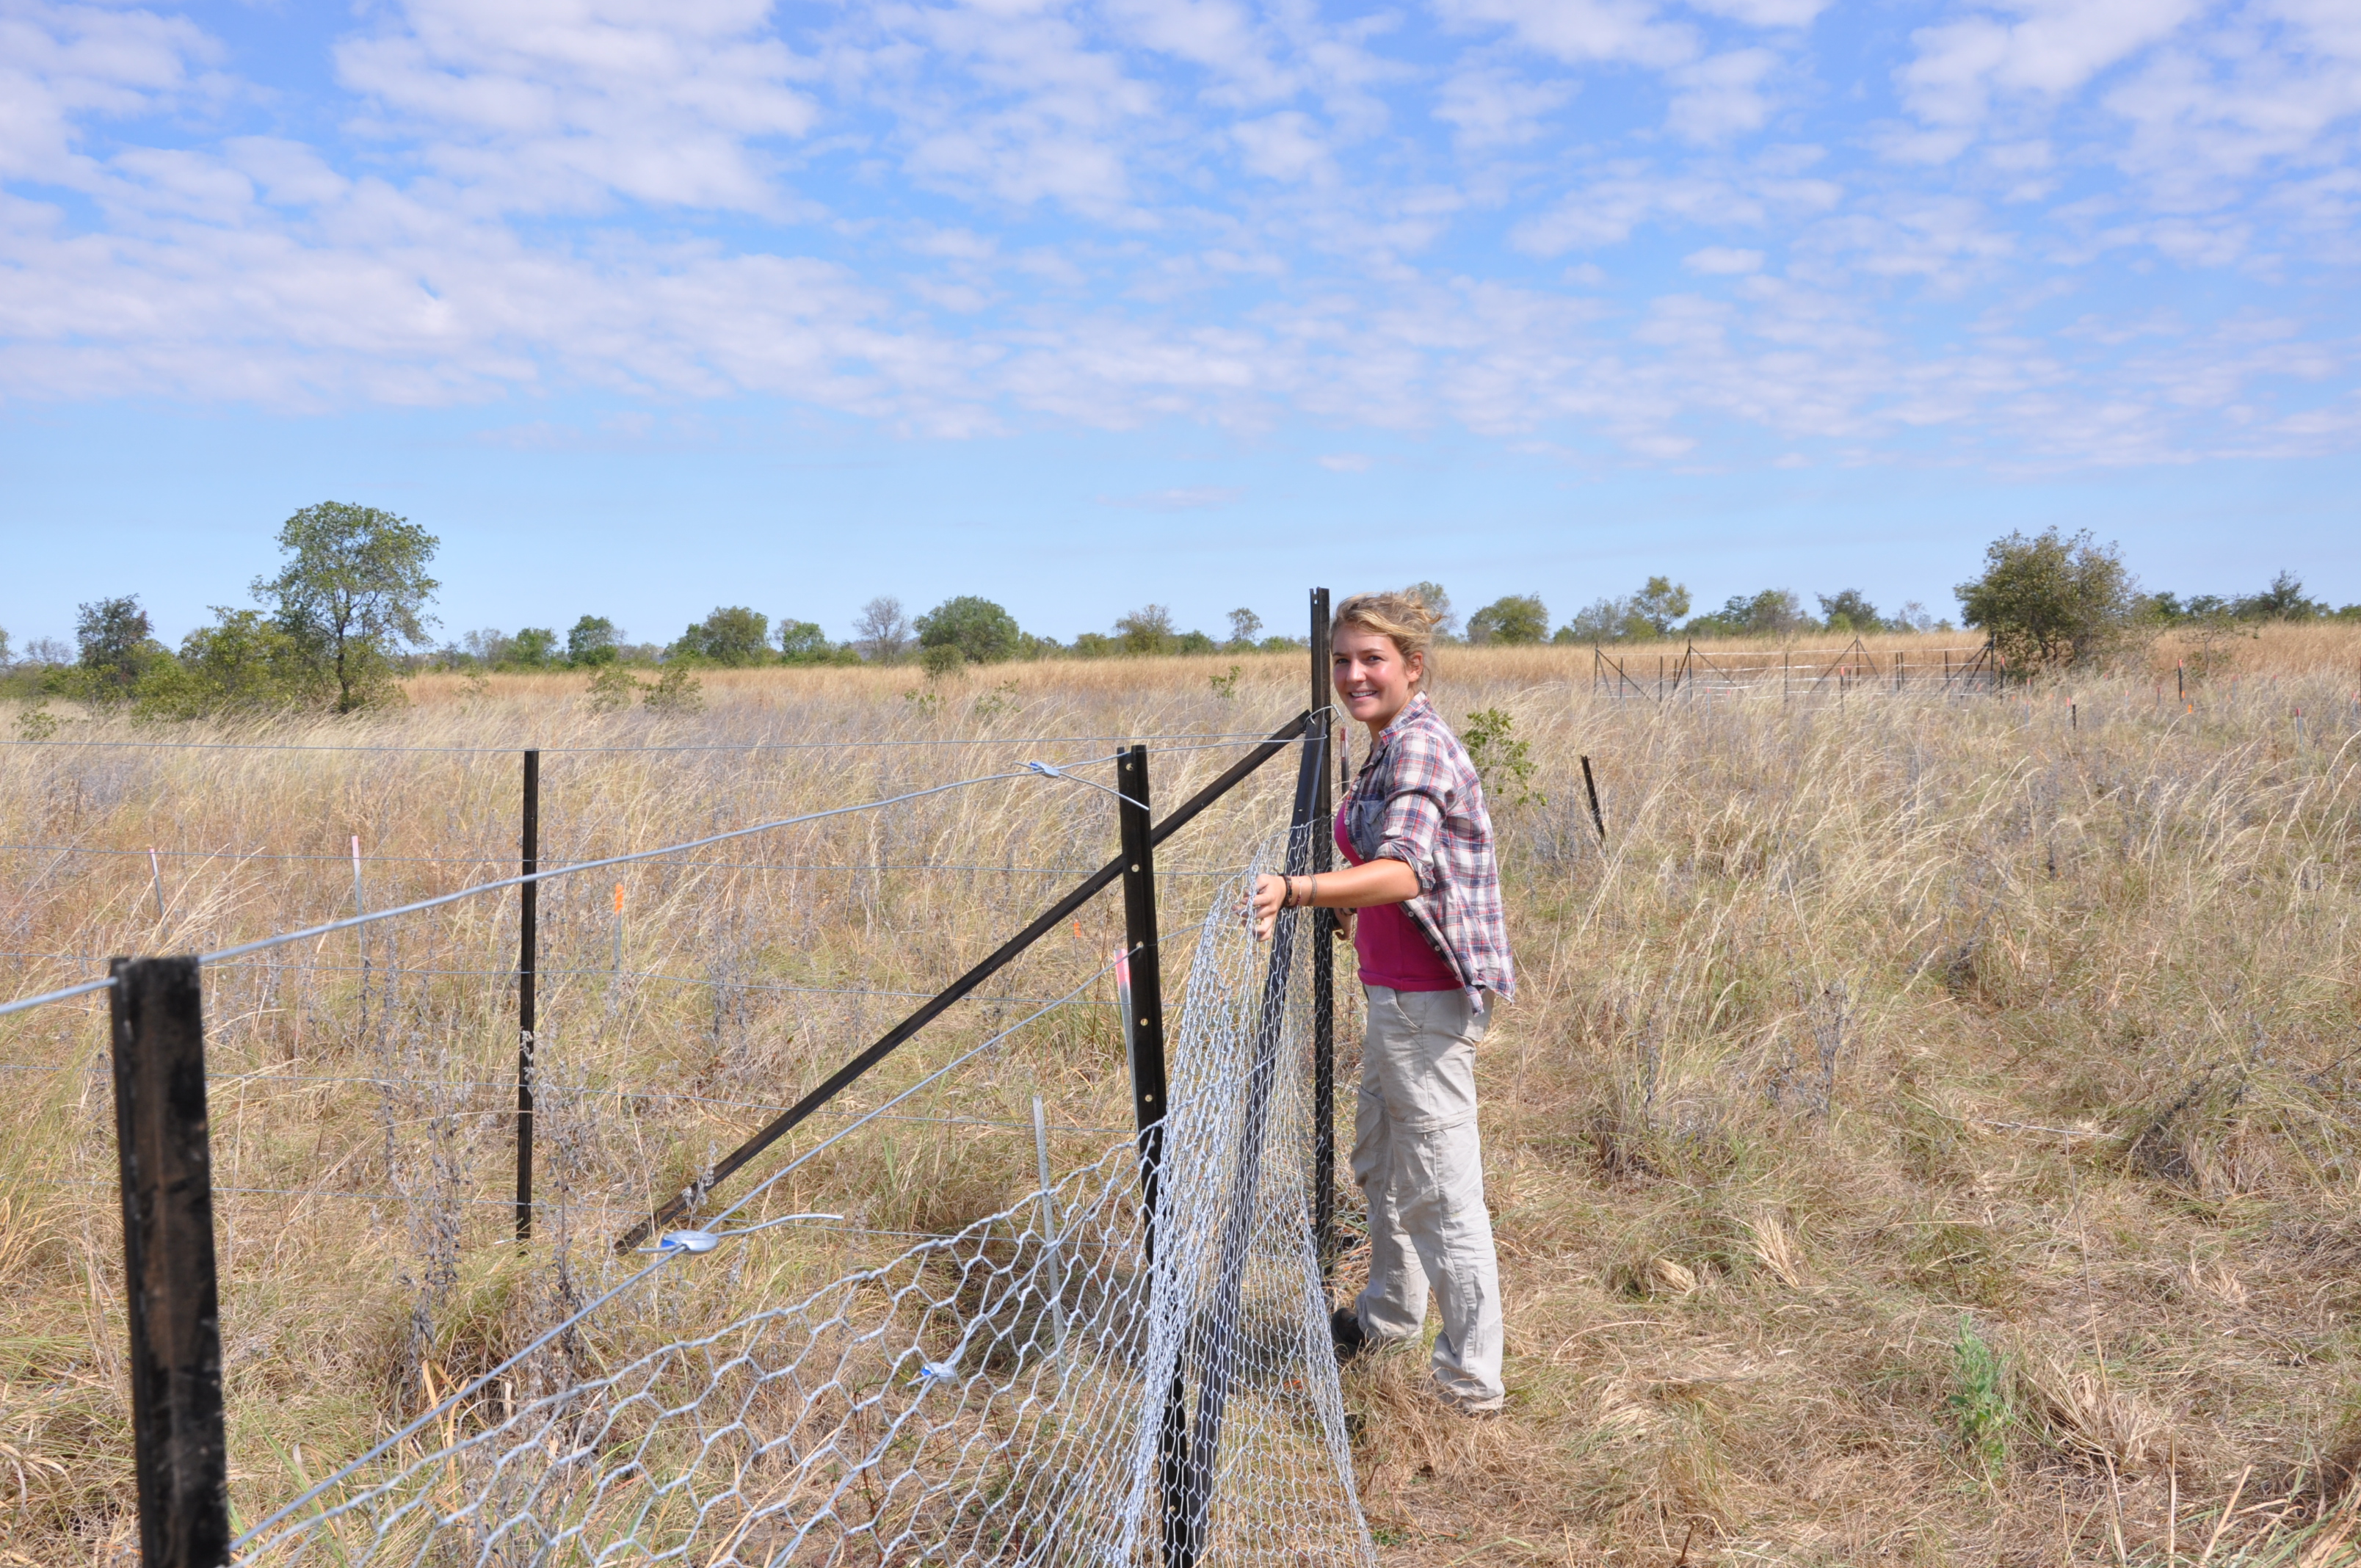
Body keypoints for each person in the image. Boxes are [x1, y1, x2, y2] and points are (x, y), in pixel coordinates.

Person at [1247, 590, 1514, 1415]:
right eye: (1343, 661)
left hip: (1426, 1002)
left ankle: (1470, 1388)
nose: (1355, 675)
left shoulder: (1420, 749)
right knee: (1384, 1170)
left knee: (1441, 1191)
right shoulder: (1384, 743)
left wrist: (1297, 891)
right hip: (1392, 995)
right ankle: (1387, 1319)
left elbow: (1405, 871)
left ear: (1412, 667)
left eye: (1373, 660)